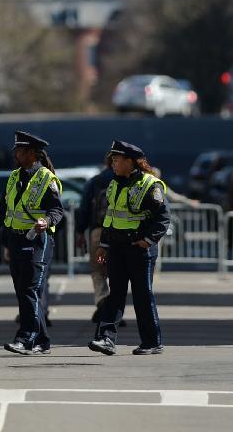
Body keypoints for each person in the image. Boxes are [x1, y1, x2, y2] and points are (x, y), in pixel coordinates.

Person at [0, 131, 63, 355]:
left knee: (30, 289)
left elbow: (57, 210)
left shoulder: (46, 178)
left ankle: (25, 338)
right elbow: (3, 212)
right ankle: (43, 341)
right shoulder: (14, 177)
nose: (15, 155)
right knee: (24, 292)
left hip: (37, 240)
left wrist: (46, 221)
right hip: (15, 239)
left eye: (19, 151)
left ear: (31, 153)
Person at [88, 140, 169, 356]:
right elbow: (110, 218)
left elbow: (163, 218)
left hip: (139, 249)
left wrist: (148, 240)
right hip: (116, 248)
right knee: (115, 295)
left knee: (143, 296)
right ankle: (106, 339)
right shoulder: (114, 185)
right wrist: (104, 246)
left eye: (116, 160)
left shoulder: (150, 185)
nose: (112, 164)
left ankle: (152, 342)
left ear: (129, 161)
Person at [75, 155, 117, 324]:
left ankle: (102, 301)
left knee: (98, 268)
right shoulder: (125, 180)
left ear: (105, 163)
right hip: (120, 235)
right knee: (116, 271)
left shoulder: (95, 181)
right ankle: (115, 306)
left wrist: (80, 232)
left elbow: (84, 208)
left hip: (98, 234)